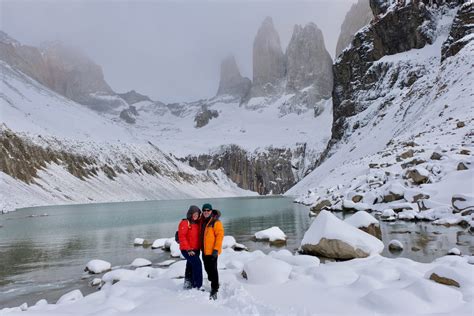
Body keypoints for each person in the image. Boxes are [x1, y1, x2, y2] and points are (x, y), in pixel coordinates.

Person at [200, 203, 224, 300]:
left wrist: (216, 250)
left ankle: (215, 288)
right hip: (204, 251)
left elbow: (220, 236)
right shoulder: (202, 221)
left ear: (211, 211)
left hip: (212, 251)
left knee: (213, 270)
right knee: (207, 268)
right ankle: (213, 280)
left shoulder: (216, 222)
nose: (206, 212)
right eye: (204, 210)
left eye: (208, 210)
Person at [178, 205, 203, 290]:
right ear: (190, 214)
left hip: (196, 249)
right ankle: (198, 285)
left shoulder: (198, 223)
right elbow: (182, 236)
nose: (196, 215)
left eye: (197, 214)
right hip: (187, 250)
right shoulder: (185, 222)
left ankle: (188, 283)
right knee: (197, 264)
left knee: (190, 265)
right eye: (194, 214)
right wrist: (188, 249)